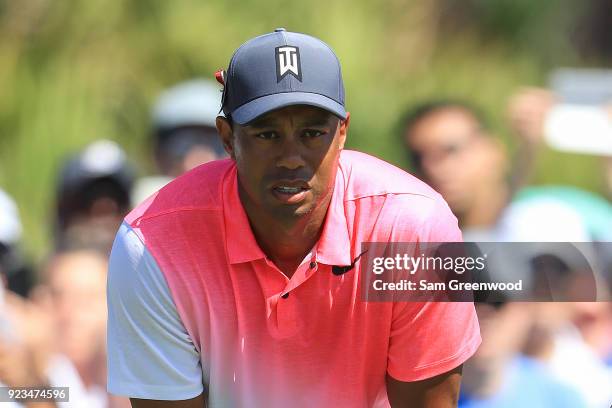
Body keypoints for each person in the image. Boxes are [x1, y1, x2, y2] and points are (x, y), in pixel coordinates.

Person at [107, 29, 481, 407]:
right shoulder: (153, 242)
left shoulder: (411, 227)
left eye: (312, 133)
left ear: (342, 133)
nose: (291, 158)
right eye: (267, 134)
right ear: (227, 138)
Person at [400, 101, 509, 240]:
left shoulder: (539, 219)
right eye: (418, 157)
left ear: (494, 150)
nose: (431, 168)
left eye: (450, 149)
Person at [132, 79, 227, 206]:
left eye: (216, 143)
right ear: (158, 154)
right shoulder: (135, 217)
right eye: (183, 143)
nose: (199, 160)